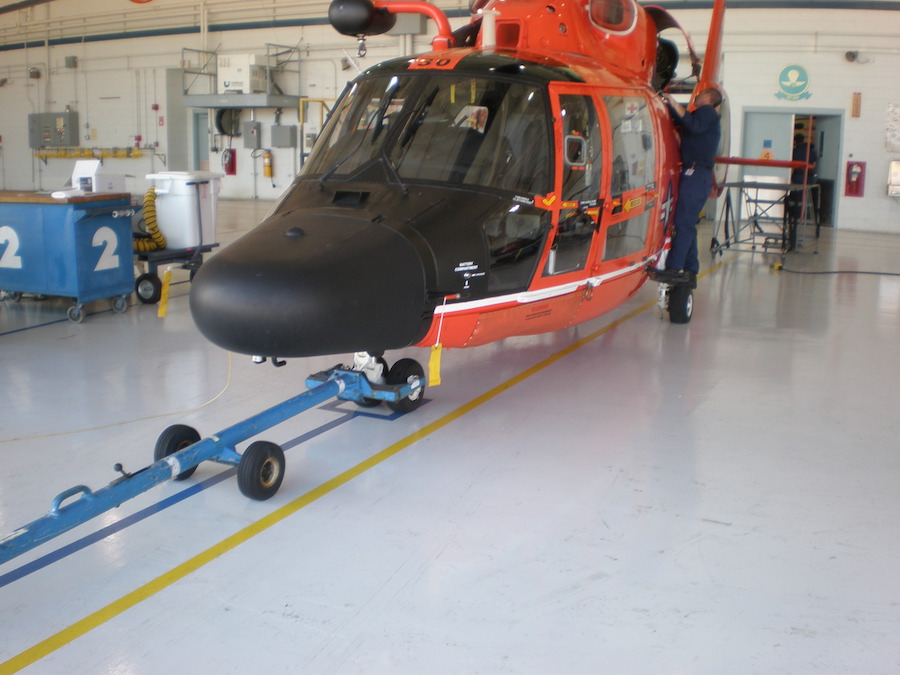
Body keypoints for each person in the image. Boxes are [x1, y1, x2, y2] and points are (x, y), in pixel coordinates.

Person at [649, 87, 722, 287]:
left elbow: (693, 125)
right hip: (696, 175)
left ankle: (674, 267)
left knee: (683, 222)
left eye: (698, 95)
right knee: (686, 223)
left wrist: (672, 102)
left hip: (696, 175)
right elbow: (685, 121)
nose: (695, 97)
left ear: (708, 98)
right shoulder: (703, 116)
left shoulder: (706, 113)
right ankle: (690, 269)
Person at [786, 133, 817, 251]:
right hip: (807, 179)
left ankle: (794, 217)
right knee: (804, 199)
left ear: (795, 141)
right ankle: (801, 217)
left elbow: (792, 164)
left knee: (794, 199)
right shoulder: (811, 151)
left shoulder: (795, 151)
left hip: (797, 178)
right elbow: (813, 165)